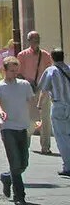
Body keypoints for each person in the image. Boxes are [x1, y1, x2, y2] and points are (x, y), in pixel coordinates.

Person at [0, 55, 35, 204]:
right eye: (11, 71)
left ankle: (6, 177)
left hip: (22, 127)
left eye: (16, 71)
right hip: (8, 127)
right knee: (15, 163)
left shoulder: (24, 85)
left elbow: (31, 101)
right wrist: (1, 111)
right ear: (4, 70)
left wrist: (36, 120)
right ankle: (19, 196)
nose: (14, 74)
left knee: (23, 163)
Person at [18, 30, 53, 154]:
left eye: (38, 38)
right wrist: (28, 82)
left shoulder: (46, 55)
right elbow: (19, 73)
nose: (36, 41)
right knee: (30, 119)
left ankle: (45, 146)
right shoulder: (22, 55)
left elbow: (49, 72)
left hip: (43, 90)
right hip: (29, 90)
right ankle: (25, 143)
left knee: (46, 119)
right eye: (33, 38)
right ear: (29, 41)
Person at [36, 47, 70, 177]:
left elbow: (43, 90)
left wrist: (39, 105)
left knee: (62, 137)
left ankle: (67, 166)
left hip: (59, 106)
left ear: (51, 57)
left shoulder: (51, 71)